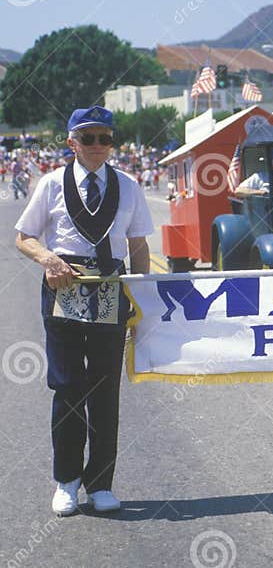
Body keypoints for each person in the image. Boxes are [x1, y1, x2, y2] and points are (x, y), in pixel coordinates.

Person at [14, 106, 153, 515]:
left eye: (104, 138)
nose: (97, 146)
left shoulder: (128, 186)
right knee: (68, 387)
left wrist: (140, 302)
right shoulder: (52, 184)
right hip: (64, 289)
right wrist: (48, 259)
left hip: (111, 291)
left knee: (106, 391)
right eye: (88, 138)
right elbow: (24, 237)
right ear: (72, 142)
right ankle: (67, 481)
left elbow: (140, 246)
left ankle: (101, 483)